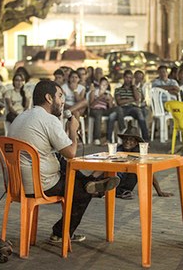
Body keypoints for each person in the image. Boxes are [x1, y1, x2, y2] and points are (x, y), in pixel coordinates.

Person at [8, 80, 120, 242]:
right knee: (82, 193)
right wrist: (72, 131)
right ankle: (60, 233)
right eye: (60, 96)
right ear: (49, 98)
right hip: (41, 184)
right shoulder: (48, 119)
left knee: (59, 159)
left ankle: (91, 181)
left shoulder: (21, 117)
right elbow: (71, 153)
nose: (63, 102)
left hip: (16, 184)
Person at [115, 125, 174, 199]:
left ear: (136, 143)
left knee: (138, 167)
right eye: (125, 139)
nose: (127, 142)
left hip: (126, 183)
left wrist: (159, 191)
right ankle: (105, 188)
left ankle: (115, 191)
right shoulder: (118, 149)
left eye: (131, 140)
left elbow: (150, 171)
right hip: (115, 178)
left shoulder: (139, 153)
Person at [114, 70, 149, 141]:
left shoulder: (135, 88)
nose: (128, 80)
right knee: (118, 109)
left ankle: (145, 138)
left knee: (140, 113)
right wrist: (131, 99)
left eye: (130, 78)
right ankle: (123, 130)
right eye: (127, 77)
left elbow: (137, 98)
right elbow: (119, 102)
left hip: (133, 108)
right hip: (123, 108)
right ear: (123, 78)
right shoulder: (118, 89)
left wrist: (133, 86)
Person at [89, 77, 125, 145]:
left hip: (104, 110)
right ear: (99, 84)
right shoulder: (94, 92)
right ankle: (97, 138)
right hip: (95, 110)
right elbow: (91, 105)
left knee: (118, 108)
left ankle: (122, 128)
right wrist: (100, 97)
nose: (104, 86)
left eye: (105, 85)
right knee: (98, 113)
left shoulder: (108, 93)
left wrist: (109, 101)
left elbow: (110, 107)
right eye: (102, 84)